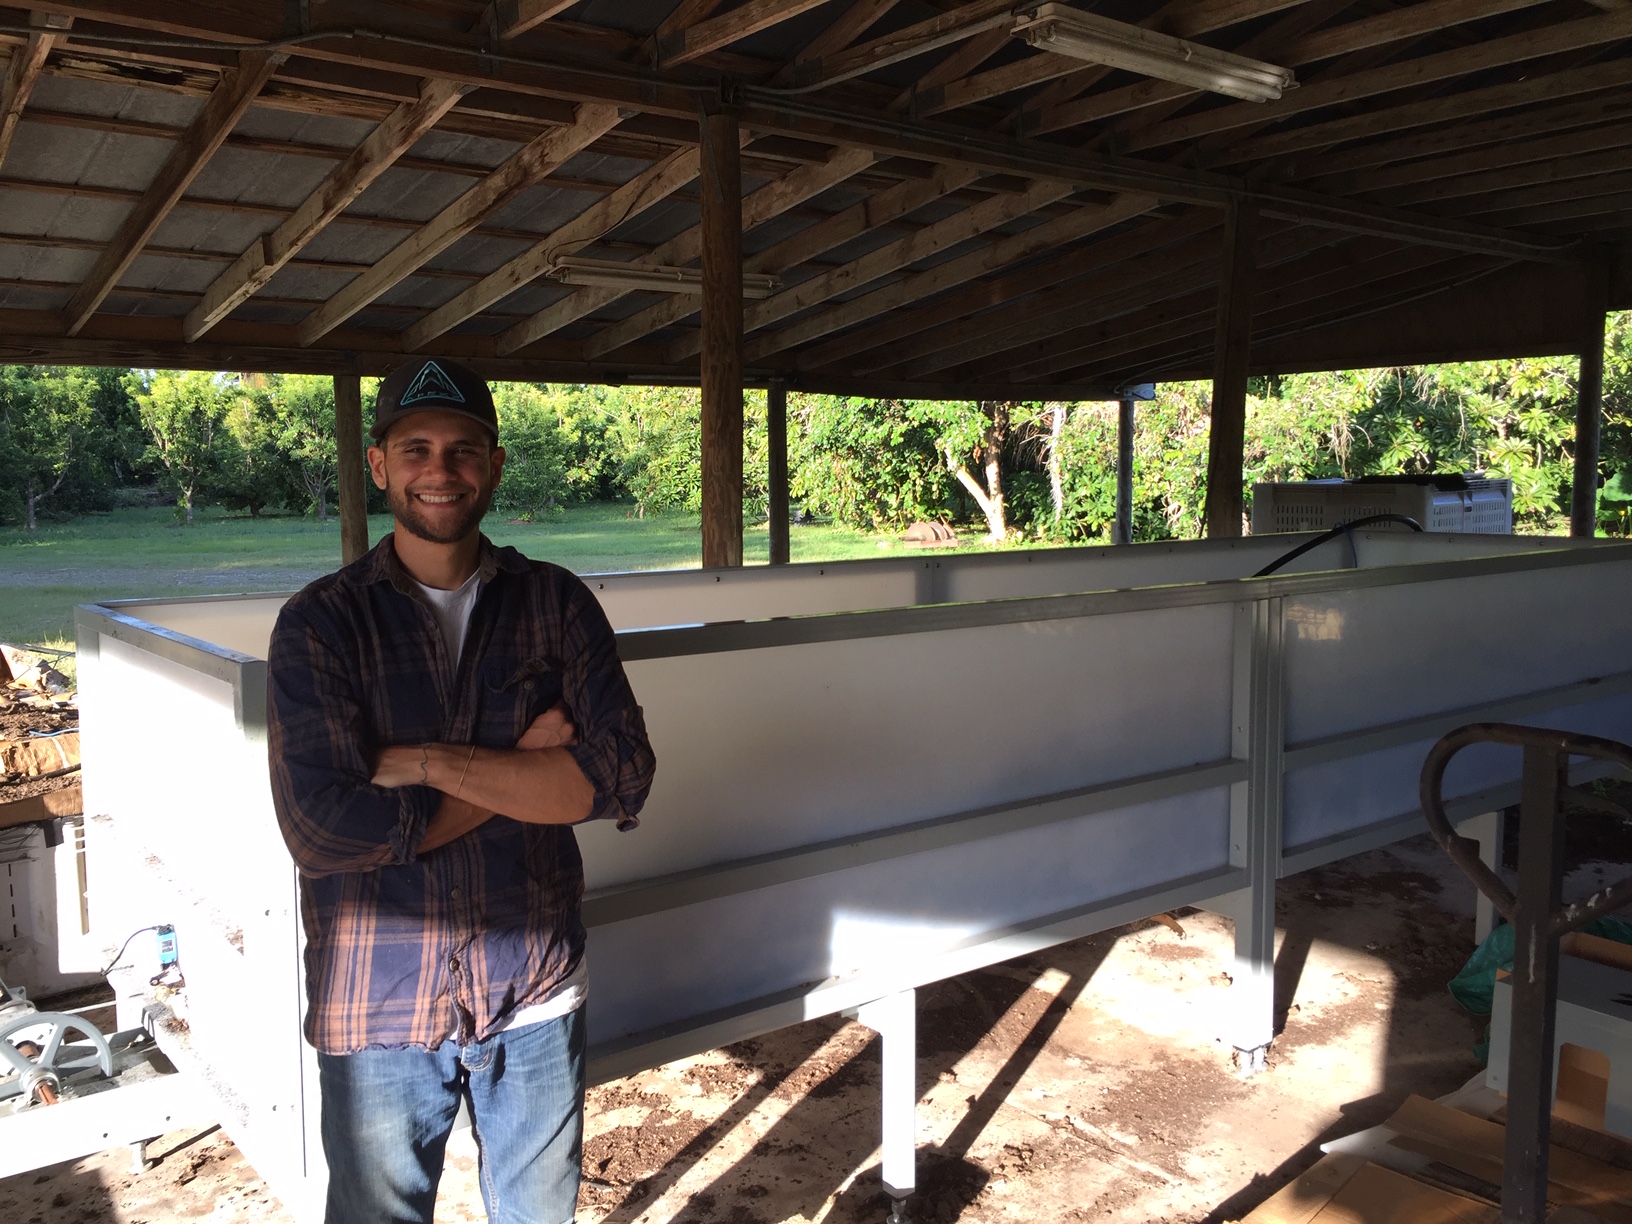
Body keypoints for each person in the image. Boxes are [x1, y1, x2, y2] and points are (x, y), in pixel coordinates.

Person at [267, 357, 656, 1224]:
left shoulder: (554, 602)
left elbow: (623, 773)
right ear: (378, 464)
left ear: (495, 465)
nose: (440, 470)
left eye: (463, 449)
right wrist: (523, 768)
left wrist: (423, 761)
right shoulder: (321, 623)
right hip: (378, 999)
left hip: (535, 989)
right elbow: (324, 830)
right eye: (416, 448)